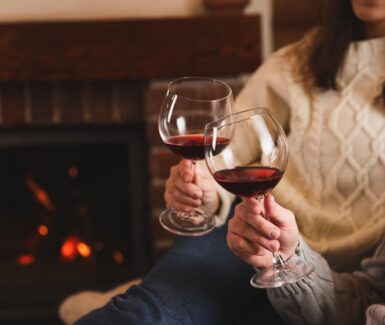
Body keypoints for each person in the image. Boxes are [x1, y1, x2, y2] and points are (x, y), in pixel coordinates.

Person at [73, 0, 385, 324]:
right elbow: (227, 145)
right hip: (251, 234)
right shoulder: (295, 63)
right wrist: (206, 190)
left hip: (354, 272)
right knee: (146, 312)